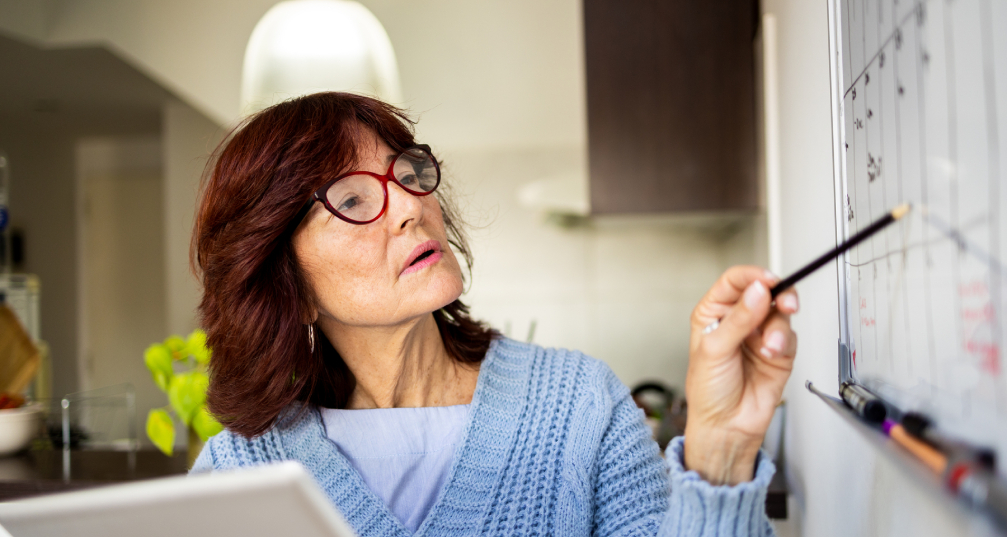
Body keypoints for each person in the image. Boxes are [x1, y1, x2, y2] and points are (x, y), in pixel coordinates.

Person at [190, 92, 799, 537]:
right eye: (352, 200)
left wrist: (721, 446)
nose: (410, 204)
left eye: (406, 171)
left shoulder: (580, 405)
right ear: (287, 286)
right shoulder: (242, 473)